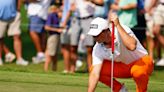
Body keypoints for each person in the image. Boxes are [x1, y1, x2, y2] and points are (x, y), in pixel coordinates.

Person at [87, 13, 153, 92]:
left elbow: (132, 46)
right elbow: (95, 74)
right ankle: (119, 89)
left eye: (96, 35)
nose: (95, 38)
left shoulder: (121, 29)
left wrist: (118, 25)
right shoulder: (97, 48)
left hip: (142, 62)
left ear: (106, 31)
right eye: (93, 35)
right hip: (123, 67)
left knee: (137, 72)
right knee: (93, 69)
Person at [0, 0, 29, 66]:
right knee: (0, 38)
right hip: (1, 16)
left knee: (17, 36)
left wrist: (18, 8)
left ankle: (19, 59)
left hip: (14, 14)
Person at [44, 5, 63, 71]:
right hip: (52, 36)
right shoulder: (51, 15)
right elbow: (47, 27)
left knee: (55, 55)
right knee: (50, 54)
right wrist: (57, 30)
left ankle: (54, 70)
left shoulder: (56, 16)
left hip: (57, 36)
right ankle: (45, 70)